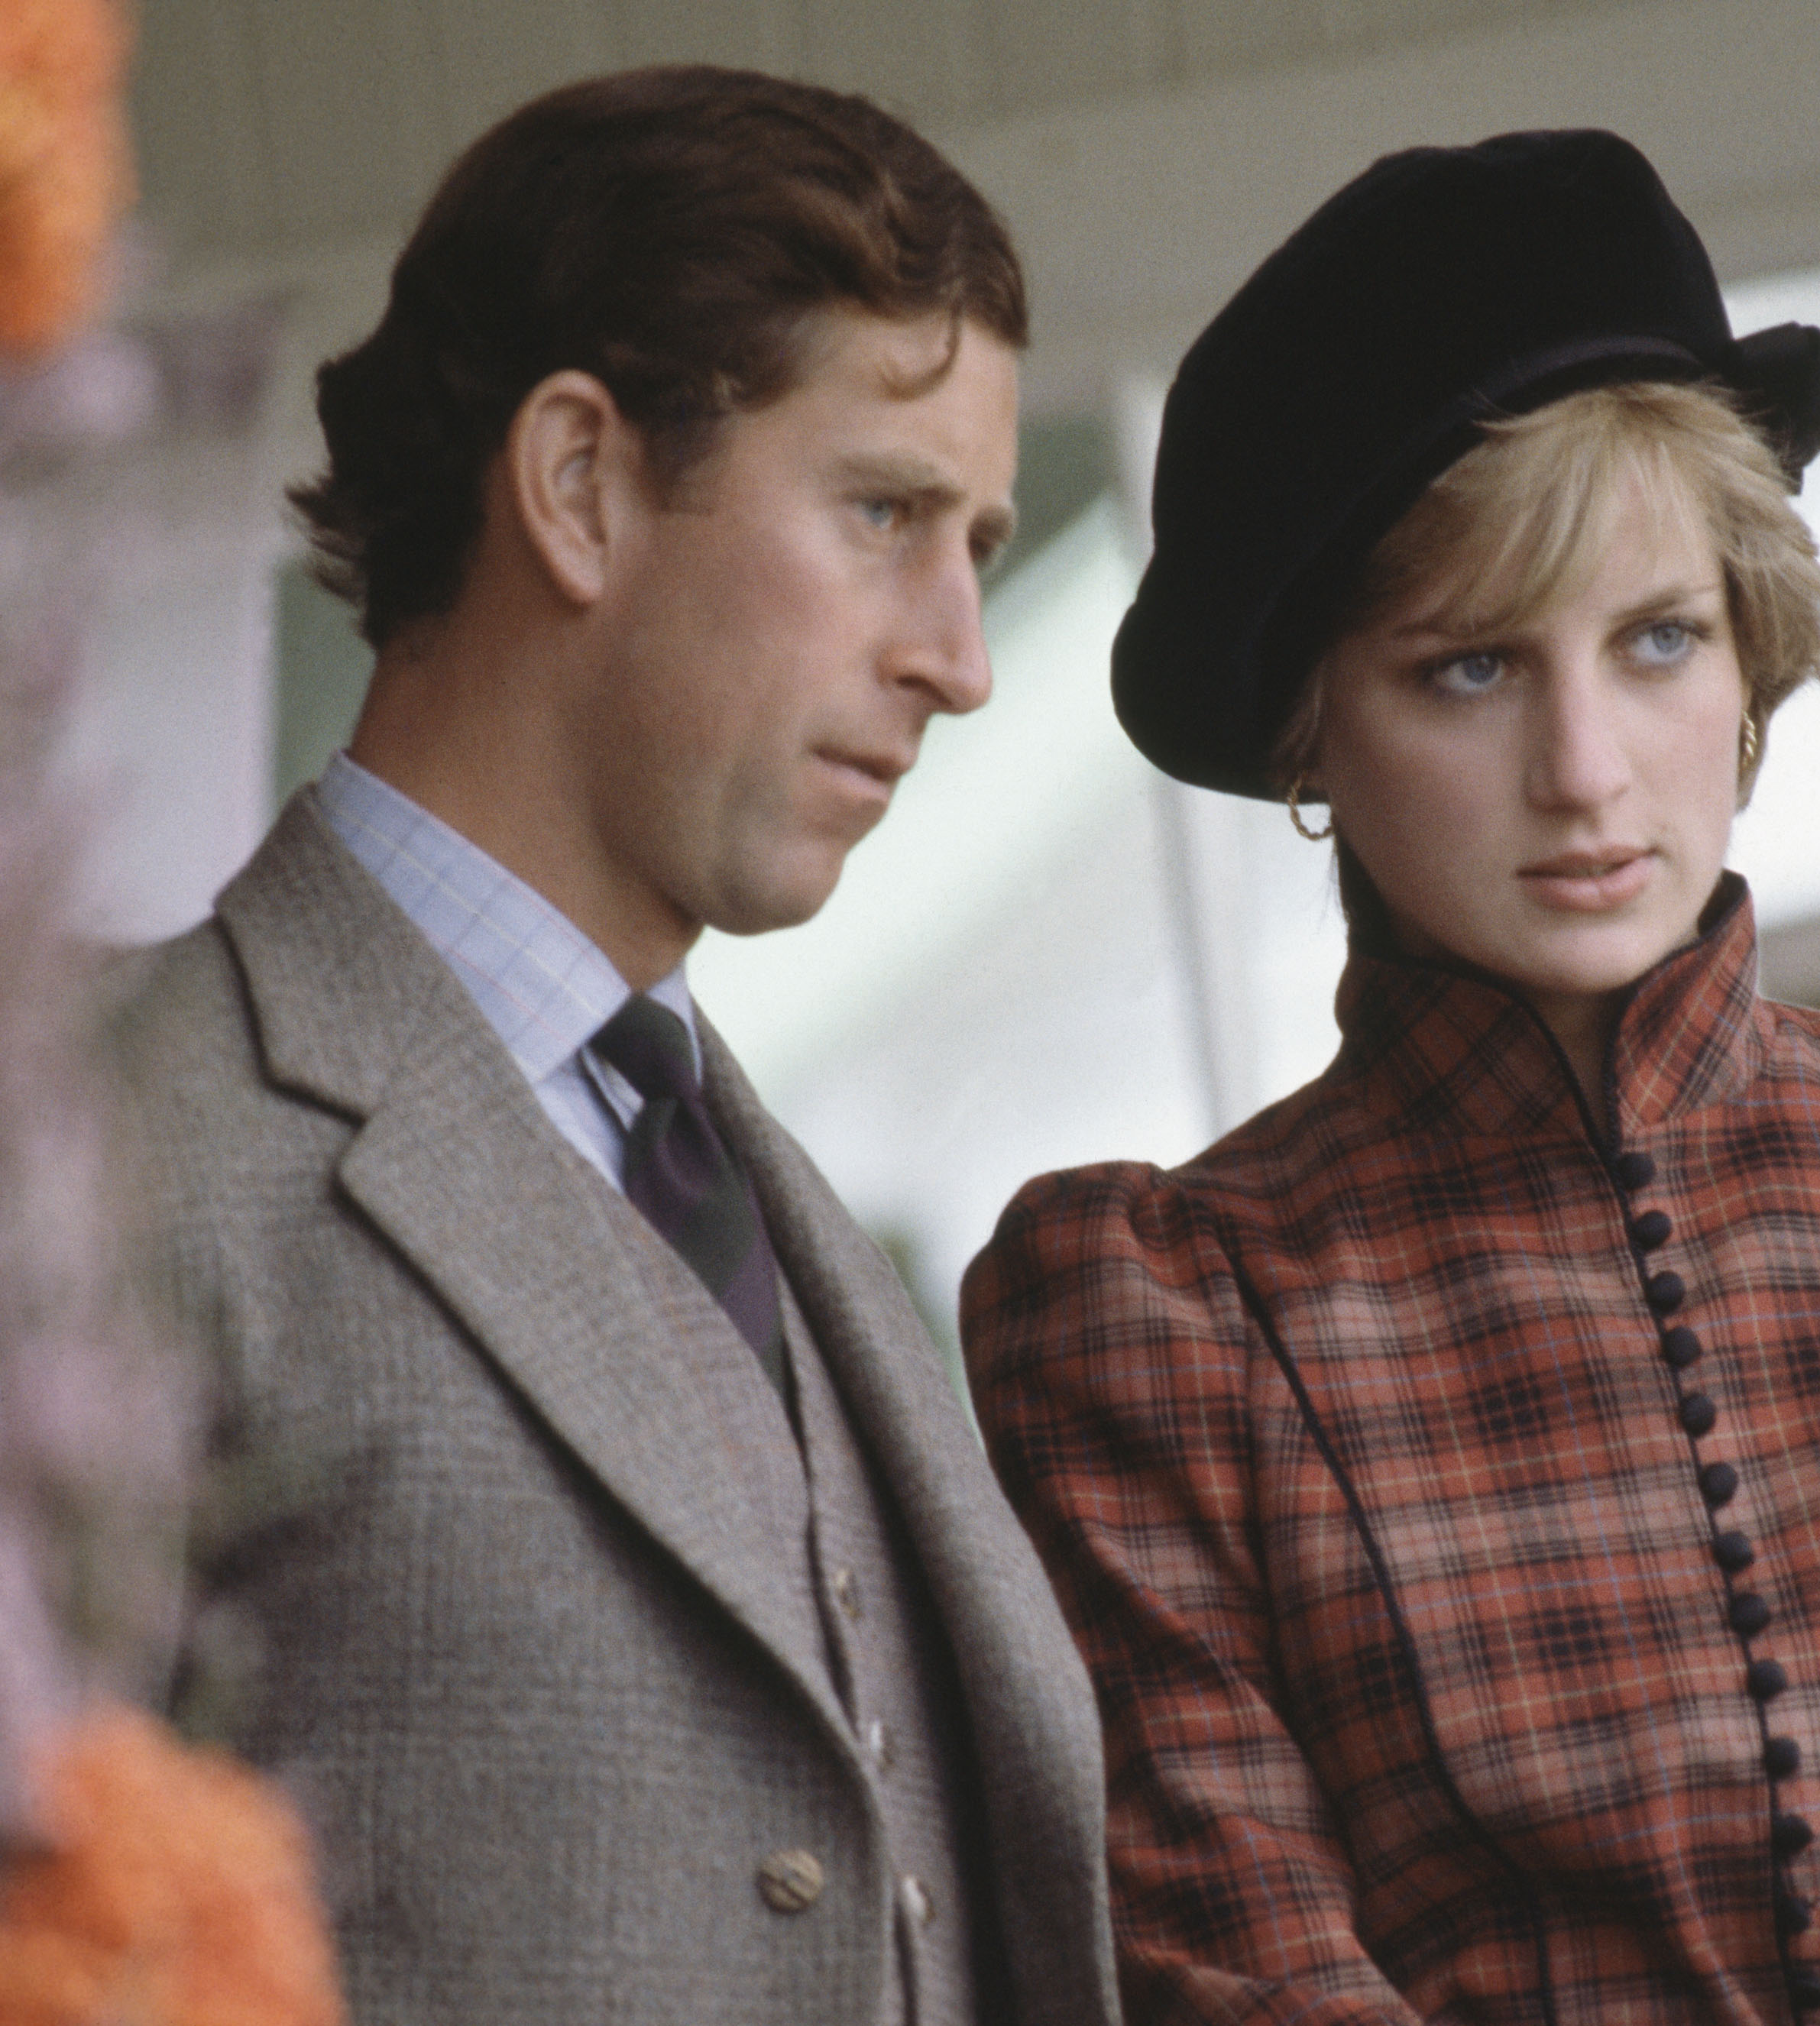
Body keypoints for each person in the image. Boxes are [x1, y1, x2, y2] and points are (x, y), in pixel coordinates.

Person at [963, 131, 1820, 2024]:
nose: (1591, 771)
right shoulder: (1154, 1316)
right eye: (1468, 671)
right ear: (1311, 730)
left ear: (1755, 660)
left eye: (1659, 642)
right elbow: (1236, 1968)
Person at [109, 67, 1119, 2026]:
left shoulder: (754, 1192)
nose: (961, 656)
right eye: (887, 510)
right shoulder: (105, 1142)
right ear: (579, 484)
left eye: (981, 540)